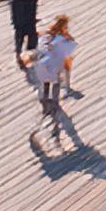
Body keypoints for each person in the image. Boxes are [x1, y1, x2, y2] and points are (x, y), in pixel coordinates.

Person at [29, 13, 77, 144]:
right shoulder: (62, 37)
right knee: (55, 82)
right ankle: (53, 103)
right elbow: (68, 49)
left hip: (45, 65)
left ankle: (46, 101)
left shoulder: (48, 34)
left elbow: (41, 47)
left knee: (46, 83)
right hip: (54, 65)